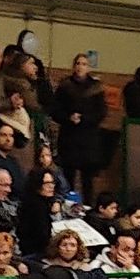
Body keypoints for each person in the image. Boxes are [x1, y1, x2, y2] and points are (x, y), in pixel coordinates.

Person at [49, 52, 107, 204]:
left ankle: (88, 205)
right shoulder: (65, 86)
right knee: (68, 174)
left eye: (84, 64)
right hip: (69, 137)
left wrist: (85, 119)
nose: (80, 67)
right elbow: (55, 110)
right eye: (78, 63)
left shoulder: (96, 88)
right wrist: (68, 118)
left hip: (89, 139)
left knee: (88, 178)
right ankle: (66, 203)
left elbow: (101, 112)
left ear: (88, 68)